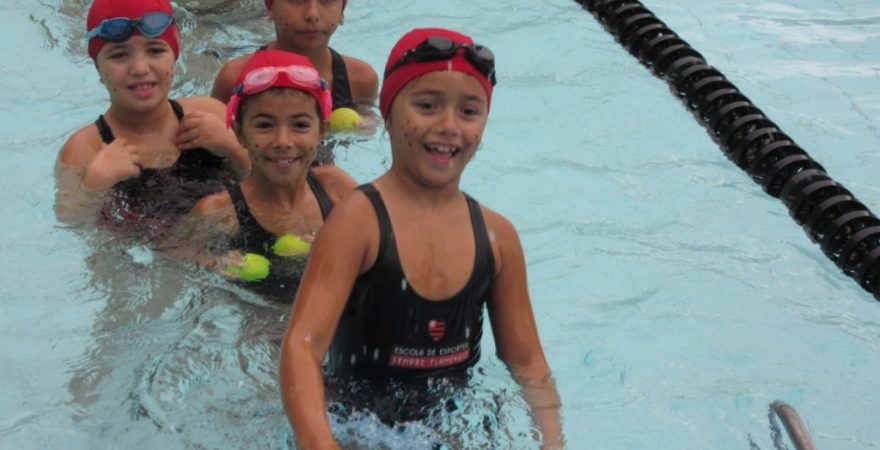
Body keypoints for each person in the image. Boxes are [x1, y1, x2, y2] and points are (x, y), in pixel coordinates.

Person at [279, 28, 564, 449]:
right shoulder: (358, 221)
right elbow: (302, 346)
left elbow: (529, 365)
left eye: (469, 112)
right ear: (389, 113)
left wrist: (553, 443)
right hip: (352, 426)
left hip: (451, 427)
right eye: (427, 105)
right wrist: (319, 442)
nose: (449, 126)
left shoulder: (497, 236)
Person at [169, 50, 357, 302]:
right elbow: (173, 255)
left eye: (300, 125)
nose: (283, 141)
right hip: (257, 320)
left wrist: (329, 247)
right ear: (238, 133)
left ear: (322, 130)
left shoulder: (335, 187)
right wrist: (214, 262)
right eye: (264, 125)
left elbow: (382, 242)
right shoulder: (218, 211)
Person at [55, 0, 250, 242]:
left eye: (155, 50)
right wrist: (95, 184)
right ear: (98, 67)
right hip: (142, 262)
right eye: (119, 55)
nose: (139, 68)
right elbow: (69, 221)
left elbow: (265, 186)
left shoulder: (211, 113)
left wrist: (235, 150)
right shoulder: (85, 149)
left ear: (174, 55)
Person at [210, 0, 377, 110]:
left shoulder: (360, 80)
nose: (312, 14)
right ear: (271, 9)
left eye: (327, 0)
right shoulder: (235, 78)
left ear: (342, 11)